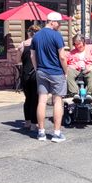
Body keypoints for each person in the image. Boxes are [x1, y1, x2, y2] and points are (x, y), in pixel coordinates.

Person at [30, 11, 69, 143]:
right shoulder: (57, 36)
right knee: (57, 101)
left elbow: (32, 56)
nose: (60, 25)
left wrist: (37, 69)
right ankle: (56, 134)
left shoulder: (36, 36)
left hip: (41, 71)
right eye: (59, 23)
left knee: (42, 101)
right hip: (56, 72)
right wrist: (66, 71)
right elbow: (62, 57)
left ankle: (41, 132)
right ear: (52, 22)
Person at [19, 25, 41, 132]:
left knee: (27, 99)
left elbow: (17, 60)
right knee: (35, 99)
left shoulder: (22, 44)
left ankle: (27, 122)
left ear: (28, 33)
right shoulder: (39, 44)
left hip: (25, 74)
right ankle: (33, 124)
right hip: (35, 74)